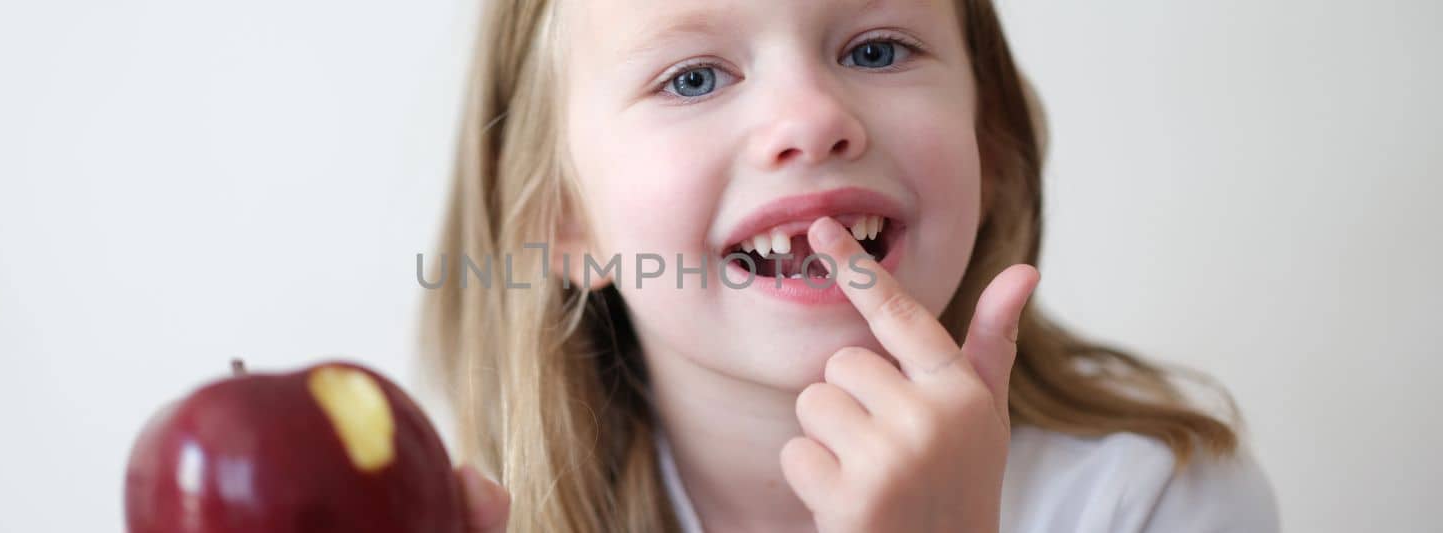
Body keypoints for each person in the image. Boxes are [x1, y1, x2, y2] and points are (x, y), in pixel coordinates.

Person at [420, 1, 1279, 531]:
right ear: (558, 215)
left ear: (991, 142)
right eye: (691, 78)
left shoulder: (1152, 503)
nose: (811, 117)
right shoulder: (484, 516)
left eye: (876, 50)